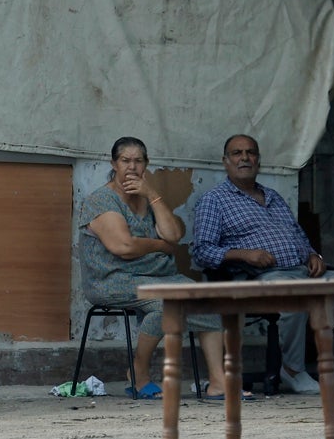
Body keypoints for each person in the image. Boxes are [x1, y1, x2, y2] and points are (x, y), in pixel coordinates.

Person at [192, 133, 334, 395]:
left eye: (250, 152)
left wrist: (313, 256)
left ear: (258, 160)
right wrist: (243, 254)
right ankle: (292, 370)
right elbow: (202, 252)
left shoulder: (273, 197)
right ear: (225, 161)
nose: (244, 158)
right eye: (237, 153)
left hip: (306, 271)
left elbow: (299, 237)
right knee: (296, 293)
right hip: (262, 276)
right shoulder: (214, 200)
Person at [79, 136, 244, 401]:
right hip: (112, 279)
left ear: (146, 164)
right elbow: (124, 247)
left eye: (138, 161)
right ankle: (138, 372)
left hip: (158, 276)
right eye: (125, 161)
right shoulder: (101, 200)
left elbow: (174, 234)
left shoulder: (147, 199)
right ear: (114, 163)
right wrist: (159, 245)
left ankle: (218, 383)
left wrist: (152, 195)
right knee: (166, 304)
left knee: (209, 301)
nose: (132, 167)